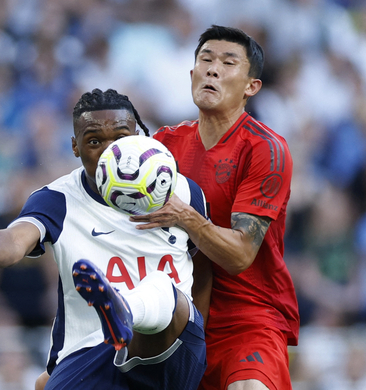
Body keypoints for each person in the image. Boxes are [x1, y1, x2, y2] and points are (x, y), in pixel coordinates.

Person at [0, 88, 208, 390]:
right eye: (94, 141)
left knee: (165, 291)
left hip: (171, 351)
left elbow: (205, 269)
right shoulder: (58, 199)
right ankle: (117, 316)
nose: (109, 153)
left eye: (120, 139)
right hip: (90, 352)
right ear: (75, 147)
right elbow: (16, 238)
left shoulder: (182, 191)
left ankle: (125, 309)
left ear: (139, 137)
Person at [131, 25, 300, 390]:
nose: (212, 69)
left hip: (249, 317)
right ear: (191, 74)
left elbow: (240, 255)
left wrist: (187, 217)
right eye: (205, 60)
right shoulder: (162, 146)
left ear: (251, 86)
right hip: (173, 316)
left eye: (227, 62)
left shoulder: (265, 149)